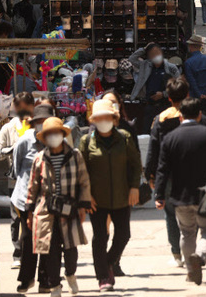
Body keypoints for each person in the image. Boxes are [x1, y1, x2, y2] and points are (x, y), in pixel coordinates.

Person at [155, 98, 206, 286]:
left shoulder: (170, 138)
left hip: (180, 195)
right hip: (205, 195)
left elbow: (162, 169)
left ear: (180, 117)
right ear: (200, 115)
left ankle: (191, 269)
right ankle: (199, 257)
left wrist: (159, 195)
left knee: (187, 233)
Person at [78, 99, 142, 292]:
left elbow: (135, 164)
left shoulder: (124, 138)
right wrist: (86, 195)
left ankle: (107, 262)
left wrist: (134, 187)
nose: (103, 120)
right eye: (99, 118)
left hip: (122, 196)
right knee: (100, 237)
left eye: (107, 117)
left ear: (114, 119)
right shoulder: (86, 141)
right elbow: (82, 171)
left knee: (123, 235)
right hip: (97, 199)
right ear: (94, 120)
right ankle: (103, 277)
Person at [25, 116, 91, 297]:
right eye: (49, 134)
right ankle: (55, 286)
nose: (53, 136)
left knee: (71, 250)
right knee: (50, 252)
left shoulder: (75, 155)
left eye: (56, 133)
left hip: (69, 208)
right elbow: (33, 186)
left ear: (62, 134)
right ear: (45, 138)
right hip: (47, 211)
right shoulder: (39, 158)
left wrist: (83, 205)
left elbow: (84, 181)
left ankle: (70, 274)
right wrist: (30, 212)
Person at [145, 78, 190, 268]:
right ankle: (192, 249)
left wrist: (150, 175)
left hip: (169, 173)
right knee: (192, 213)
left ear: (169, 97)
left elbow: (153, 149)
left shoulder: (161, 118)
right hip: (192, 172)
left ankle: (177, 253)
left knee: (171, 214)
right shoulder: (196, 115)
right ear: (187, 94)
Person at [12, 104, 52, 293]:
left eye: (45, 121)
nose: (42, 125)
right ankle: (26, 279)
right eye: (38, 122)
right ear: (33, 123)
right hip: (25, 198)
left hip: (48, 198)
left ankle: (45, 279)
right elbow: (16, 169)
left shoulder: (57, 140)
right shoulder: (24, 141)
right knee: (27, 239)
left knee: (47, 239)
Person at [0, 91, 35, 268]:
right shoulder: (8, 128)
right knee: (17, 219)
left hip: (37, 181)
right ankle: (18, 254)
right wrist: (10, 150)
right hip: (16, 181)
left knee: (37, 217)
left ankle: (35, 251)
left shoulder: (38, 126)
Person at [129, 43, 181, 133]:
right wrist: (144, 48)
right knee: (146, 131)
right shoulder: (145, 66)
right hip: (149, 105)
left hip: (165, 104)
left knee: (166, 131)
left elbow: (179, 85)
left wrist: (163, 94)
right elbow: (132, 59)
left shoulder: (171, 68)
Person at [184, 35, 206, 115]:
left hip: (194, 97)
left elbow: (191, 81)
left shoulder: (188, 63)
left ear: (191, 46)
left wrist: (199, 94)